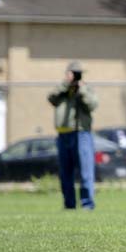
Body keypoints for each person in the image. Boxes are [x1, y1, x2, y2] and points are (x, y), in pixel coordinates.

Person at [47, 61, 99, 210]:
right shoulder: (62, 90)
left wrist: (81, 90)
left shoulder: (86, 89)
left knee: (85, 170)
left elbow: (93, 105)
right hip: (63, 134)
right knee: (65, 172)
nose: (75, 76)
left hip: (81, 134)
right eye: (72, 73)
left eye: (77, 73)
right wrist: (65, 85)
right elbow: (51, 98)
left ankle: (87, 204)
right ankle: (69, 204)